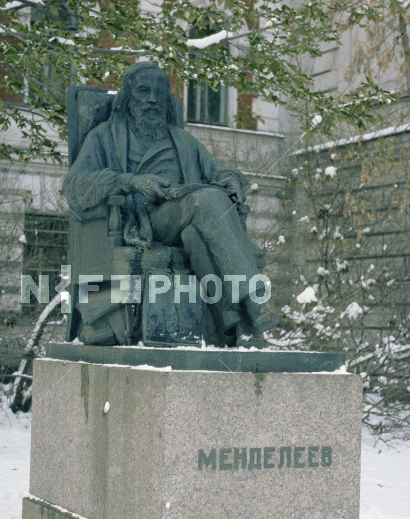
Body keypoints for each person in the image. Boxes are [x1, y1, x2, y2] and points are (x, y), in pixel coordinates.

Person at [63, 62, 276, 346]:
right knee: (207, 200)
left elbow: (221, 172)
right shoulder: (105, 136)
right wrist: (129, 182)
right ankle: (254, 298)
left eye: (159, 93)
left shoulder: (183, 141)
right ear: (129, 97)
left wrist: (232, 183)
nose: (152, 99)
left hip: (186, 216)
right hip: (144, 224)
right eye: (143, 91)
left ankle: (235, 323)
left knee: (197, 229)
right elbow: (74, 185)